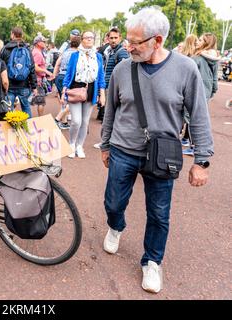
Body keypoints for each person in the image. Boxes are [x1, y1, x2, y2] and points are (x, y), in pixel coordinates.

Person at [100, 7, 214, 294]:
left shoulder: (185, 69)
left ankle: (152, 261)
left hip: (162, 153)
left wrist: (202, 160)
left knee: (159, 213)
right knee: (113, 202)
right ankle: (116, 225)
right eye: (128, 40)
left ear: (158, 40)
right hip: (123, 149)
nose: (128, 46)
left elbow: (199, 115)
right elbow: (111, 109)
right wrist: (104, 145)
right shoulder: (124, 68)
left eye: (135, 42)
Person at [61, 30, 106, 159]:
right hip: (76, 89)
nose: (89, 40)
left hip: (91, 90)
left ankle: (79, 145)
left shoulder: (98, 56)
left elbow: (101, 76)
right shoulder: (75, 55)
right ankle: (71, 143)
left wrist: (102, 94)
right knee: (76, 121)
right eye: (86, 38)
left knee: (85, 121)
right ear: (82, 40)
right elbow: (69, 74)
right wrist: (64, 91)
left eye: (91, 38)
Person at [182, 33, 220, 157]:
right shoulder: (215, 59)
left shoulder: (196, 58)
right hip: (207, 90)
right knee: (200, 117)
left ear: (206, 43)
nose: (197, 41)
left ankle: (193, 146)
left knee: (190, 118)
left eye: (200, 40)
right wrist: (213, 90)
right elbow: (215, 77)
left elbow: (188, 77)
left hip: (195, 90)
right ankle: (194, 145)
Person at [0, 27, 38, 118]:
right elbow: (32, 68)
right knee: (26, 107)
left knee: (9, 109)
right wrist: (34, 86)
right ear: (22, 35)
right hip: (24, 84)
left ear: (13, 34)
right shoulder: (27, 49)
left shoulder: (6, 48)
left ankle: (11, 129)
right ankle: (28, 128)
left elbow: (1, 67)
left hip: (9, 85)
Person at [96, 27, 129, 123]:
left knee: (110, 115)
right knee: (107, 113)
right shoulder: (109, 51)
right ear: (108, 38)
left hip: (114, 87)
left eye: (115, 38)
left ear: (120, 38)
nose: (113, 40)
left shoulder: (121, 52)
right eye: (111, 38)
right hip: (108, 85)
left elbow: (123, 73)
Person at [53, 30, 81, 130]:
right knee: (73, 101)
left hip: (60, 76)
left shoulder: (64, 52)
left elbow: (57, 63)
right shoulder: (78, 53)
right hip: (69, 78)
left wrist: (54, 75)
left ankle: (64, 122)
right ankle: (57, 119)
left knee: (64, 101)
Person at [31, 35, 54, 117]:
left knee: (36, 101)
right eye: (43, 41)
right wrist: (46, 71)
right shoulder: (37, 53)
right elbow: (35, 67)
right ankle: (40, 120)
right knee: (41, 102)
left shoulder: (36, 52)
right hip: (38, 80)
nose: (45, 43)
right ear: (38, 43)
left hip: (37, 79)